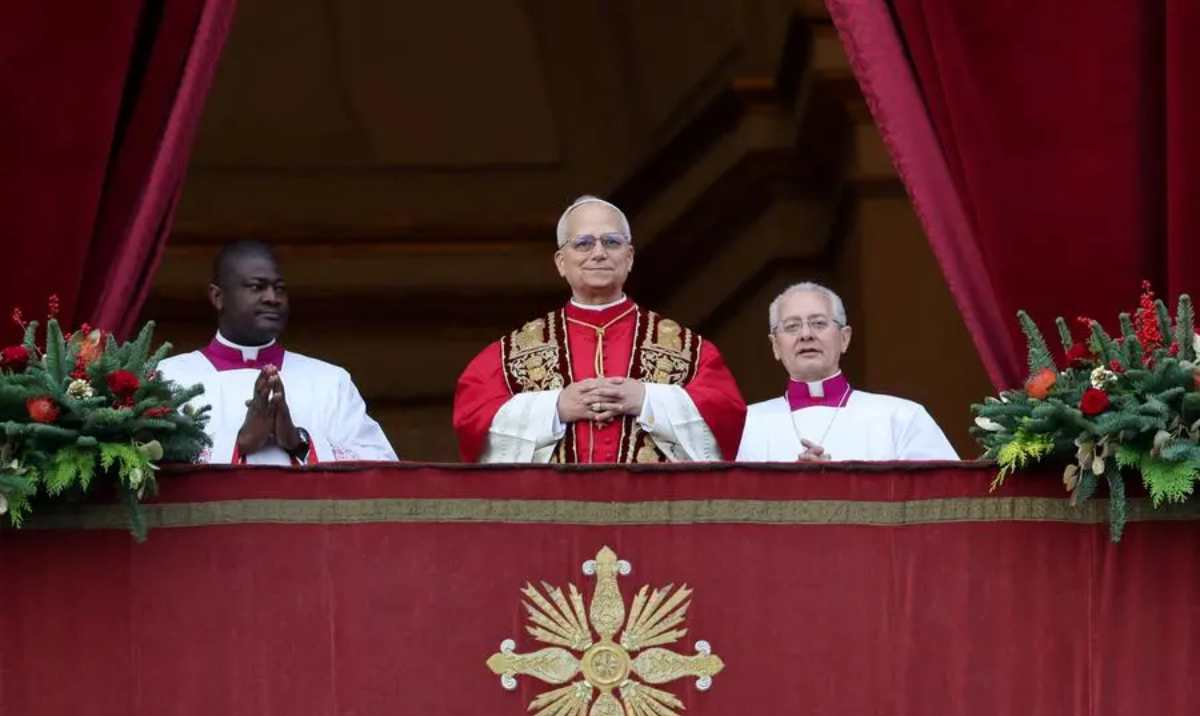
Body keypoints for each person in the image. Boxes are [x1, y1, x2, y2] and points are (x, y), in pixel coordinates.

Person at [453, 195, 746, 463]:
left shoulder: (690, 350)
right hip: (553, 504)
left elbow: (727, 414)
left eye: (611, 242)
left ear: (629, 258)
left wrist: (648, 400)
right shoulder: (509, 353)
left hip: (651, 504)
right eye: (583, 243)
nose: (599, 253)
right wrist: (554, 408)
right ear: (561, 262)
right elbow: (471, 419)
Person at [157, 241, 397, 465]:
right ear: (218, 297)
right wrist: (239, 443)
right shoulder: (168, 378)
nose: (272, 298)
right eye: (257, 287)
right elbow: (148, 467)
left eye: (279, 288)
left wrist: (298, 442)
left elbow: (380, 466)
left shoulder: (331, 382)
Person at [736, 282, 957, 462]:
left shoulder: (902, 418)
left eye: (818, 323)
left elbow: (943, 494)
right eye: (792, 326)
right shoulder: (743, 427)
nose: (806, 335)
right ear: (775, 345)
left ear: (844, 338)